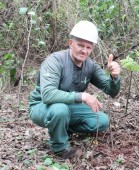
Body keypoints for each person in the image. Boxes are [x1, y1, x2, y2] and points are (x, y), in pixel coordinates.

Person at [28, 21, 121, 159]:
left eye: (88, 47)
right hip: (42, 106)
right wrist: (82, 96)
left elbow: (111, 91)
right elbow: (47, 95)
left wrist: (114, 77)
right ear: (71, 43)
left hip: (68, 108)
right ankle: (60, 148)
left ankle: (64, 128)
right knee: (60, 110)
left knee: (101, 121)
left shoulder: (90, 66)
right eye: (80, 45)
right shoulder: (55, 61)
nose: (84, 50)